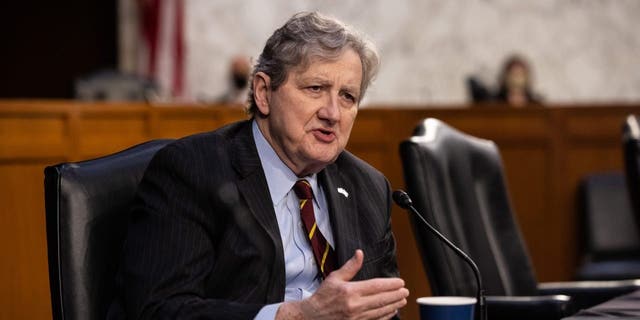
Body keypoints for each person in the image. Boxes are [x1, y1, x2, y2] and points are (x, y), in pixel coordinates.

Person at [107, 11, 409, 320]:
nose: (332, 113)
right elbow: (159, 309)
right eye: (315, 88)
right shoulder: (192, 170)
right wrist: (296, 317)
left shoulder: (368, 187)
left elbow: (383, 310)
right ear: (264, 93)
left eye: (347, 96)